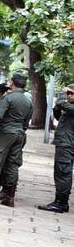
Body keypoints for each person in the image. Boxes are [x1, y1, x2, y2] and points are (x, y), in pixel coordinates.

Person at [0, 72, 34, 206]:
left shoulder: (8, 98)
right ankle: (10, 196)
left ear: (12, 82)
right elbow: (27, 120)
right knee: (13, 165)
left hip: (5, 133)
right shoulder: (27, 100)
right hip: (19, 134)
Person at [38, 85, 74, 214]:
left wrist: (61, 95)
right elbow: (59, 117)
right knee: (62, 173)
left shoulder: (70, 106)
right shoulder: (69, 108)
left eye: (71, 93)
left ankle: (60, 203)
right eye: (68, 93)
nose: (69, 95)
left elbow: (61, 102)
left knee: (63, 173)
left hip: (67, 144)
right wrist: (57, 108)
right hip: (65, 143)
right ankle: (61, 202)